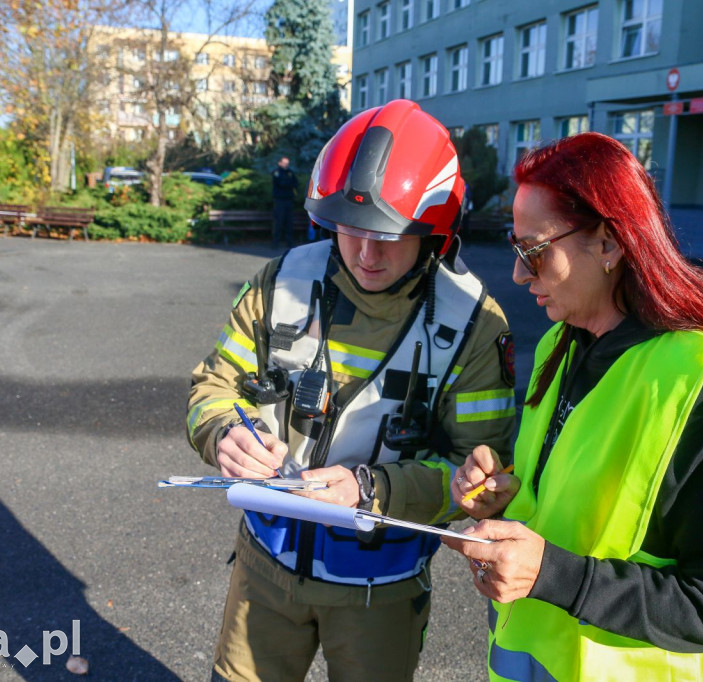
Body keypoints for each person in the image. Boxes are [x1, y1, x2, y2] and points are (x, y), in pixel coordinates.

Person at [440, 132, 703, 682]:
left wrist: (552, 574)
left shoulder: (700, 389)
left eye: (534, 252)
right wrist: (505, 496)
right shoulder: (564, 343)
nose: (517, 274)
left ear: (608, 244)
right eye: (516, 249)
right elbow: (581, 505)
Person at [188, 99, 516, 682]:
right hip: (264, 570)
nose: (366, 253)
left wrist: (372, 490)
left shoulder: (473, 326)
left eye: (389, 234)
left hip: (379, 591)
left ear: (436, 232)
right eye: (351, 228)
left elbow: (482, 478)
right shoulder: (281, 281)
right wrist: (223, 434)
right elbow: (213, 386)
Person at [271, 155, 298, 248]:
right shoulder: (276, 172)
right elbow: (281, 183)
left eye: (287, 163)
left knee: (289, 222)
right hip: (279, 201)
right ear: (280, 163)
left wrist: (288, 184)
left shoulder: (290, 172)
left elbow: (295, 183)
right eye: (284, 163)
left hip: (289, 201)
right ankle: (275, 243)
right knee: (279, 222)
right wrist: (288, 184)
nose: (286, 164)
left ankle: (289, 242)